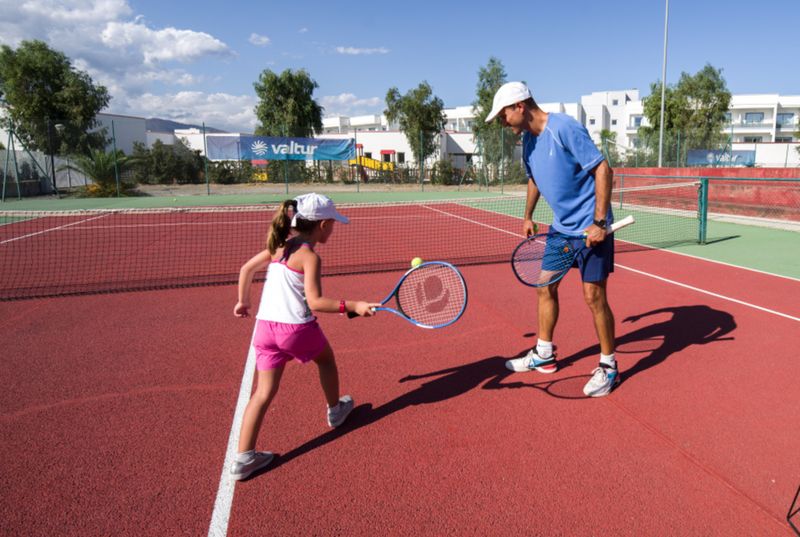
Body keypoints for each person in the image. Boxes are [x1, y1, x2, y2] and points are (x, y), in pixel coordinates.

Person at [230, 193, 379, 480]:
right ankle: (335, 411)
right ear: (322, 225)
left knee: (263, 393)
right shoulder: (310, 257)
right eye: (333, 223)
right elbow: (315, 302)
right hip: (295, 330)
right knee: (326, 361)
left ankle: (244, 459)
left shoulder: (280, 246)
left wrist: (243, 302)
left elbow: (246, 269)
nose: (334, 228)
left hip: (264, 330)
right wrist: (355, 306)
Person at [485, 81, 619, 397]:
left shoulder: (563, 127)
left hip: (590, 227)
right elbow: (535, 178)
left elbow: (603, 169)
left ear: (519, 106)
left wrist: (599, 222)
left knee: (593, 296)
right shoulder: (529, 143)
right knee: (545, 285)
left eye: (503, 115)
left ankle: (608, 366)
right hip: (561, 229)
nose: (503, 123)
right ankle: (544, 355)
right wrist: (528, 215)